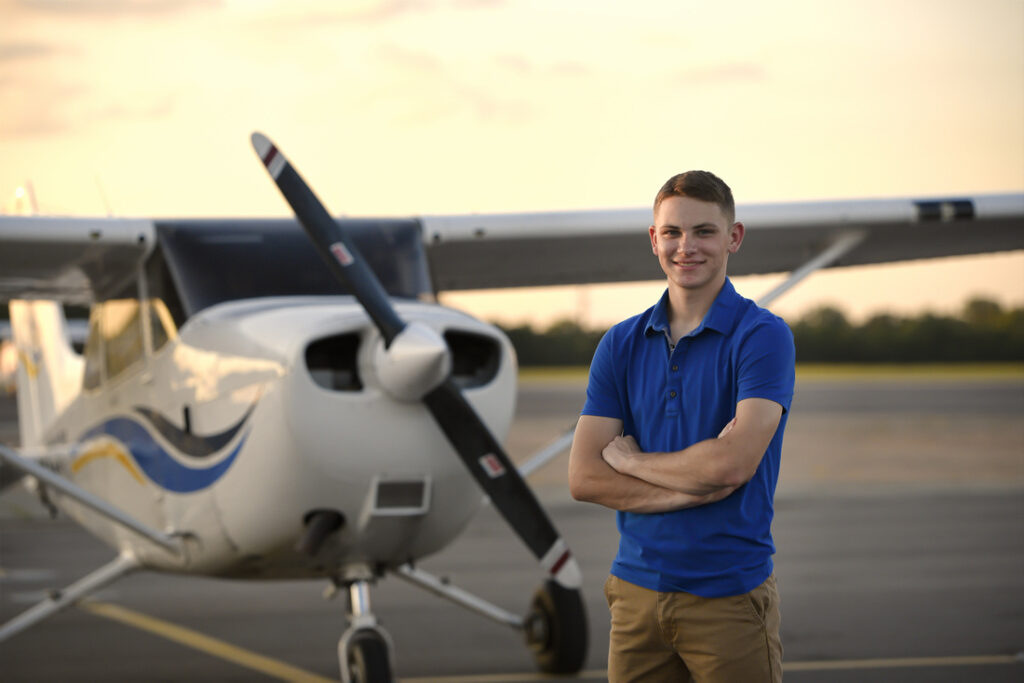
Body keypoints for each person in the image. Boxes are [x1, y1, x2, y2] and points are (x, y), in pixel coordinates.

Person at [568, 171, 794, 682]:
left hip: (728, 595)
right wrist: (695, 487)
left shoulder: (763, 337)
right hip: (635, 596)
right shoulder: (619, 344)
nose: (686, 246)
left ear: (733, 237)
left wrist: (631, 461)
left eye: (704, 231)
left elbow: (732, 465)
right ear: (654, 239)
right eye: (672, 232)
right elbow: (584, 478)